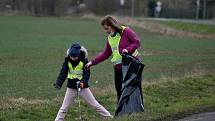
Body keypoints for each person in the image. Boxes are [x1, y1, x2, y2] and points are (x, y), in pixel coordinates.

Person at [85, 15, 141, 102]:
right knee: (119, 89)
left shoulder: (126, 31)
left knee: (131, 89)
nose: (105, 31)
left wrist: (127, 49)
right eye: (104, 29)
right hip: (118, 67)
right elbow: (106, 54)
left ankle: (135, 109)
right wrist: (92, 62)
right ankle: (122, 111)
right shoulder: (110, 38)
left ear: (113, 26)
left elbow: (137, 42)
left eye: (107, 28)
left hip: (131, 65)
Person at [54, 43, 113, 121]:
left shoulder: (84, 61)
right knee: (64, 108)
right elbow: (63, 73)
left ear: (78, 55)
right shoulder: (67, 61)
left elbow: (86, 74)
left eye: (75, 57)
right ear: (69, 55)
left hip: (83, 87)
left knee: (95, 105)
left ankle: (109, 117)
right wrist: (58, 83)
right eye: (72, 56)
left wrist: (83, 83)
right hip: (71, 88)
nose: (73, 58)